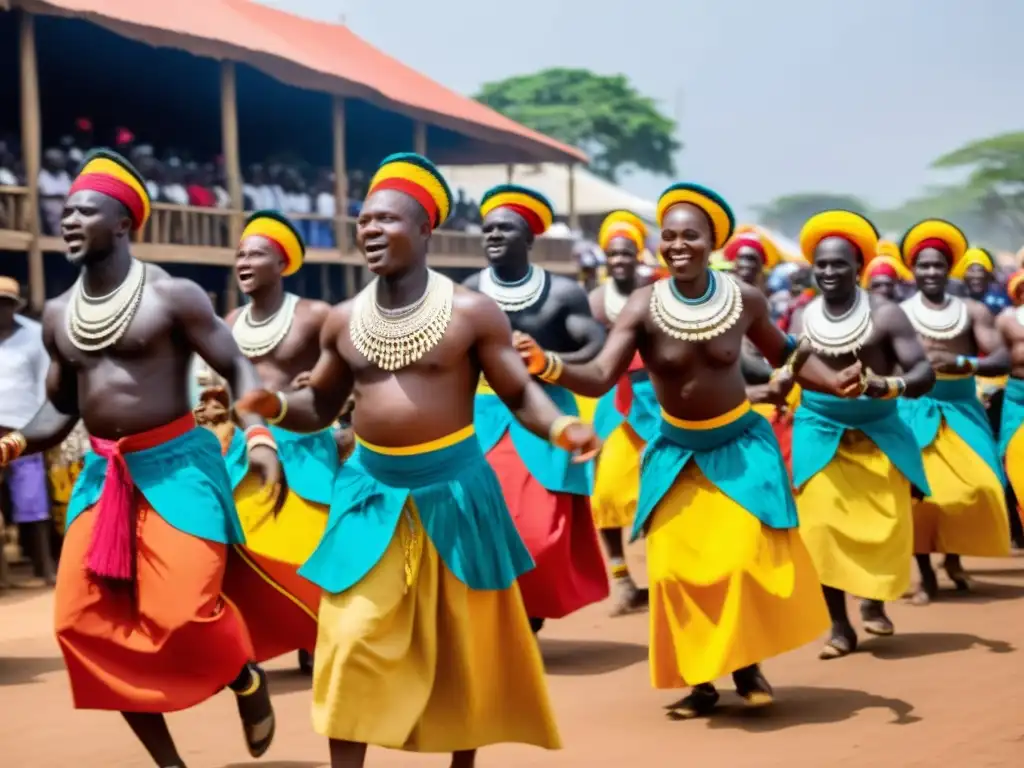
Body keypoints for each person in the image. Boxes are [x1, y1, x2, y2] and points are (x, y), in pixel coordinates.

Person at [233, 152, 597, 768]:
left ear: (426, 230)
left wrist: (562, 426)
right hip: (370, 494)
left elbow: (517, 390)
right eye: (363, 221)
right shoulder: (344, 320)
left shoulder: (473, 311)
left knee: (464, 647)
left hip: (456, 491)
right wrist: (275, 405)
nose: (370, 230)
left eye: (387, 220)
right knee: (349, 638)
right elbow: (319, 404)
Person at [0, 149, 282, 767]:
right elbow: (60, 409)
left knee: (181, 611)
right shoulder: (56, 315)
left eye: (85, 211)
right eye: (64, 211)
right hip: (103, 478)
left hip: (178, 466)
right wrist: (13, 443)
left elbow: (237, 365)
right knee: (82, 624)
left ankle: (243, 673)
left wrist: (258, 434)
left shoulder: (173, 295)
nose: (68, 220)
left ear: (124, 221)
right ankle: (170, 764)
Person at [516, 182, 831, 718]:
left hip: (739, 445)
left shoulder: (745, 299)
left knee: (739, 560)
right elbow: (596, 376)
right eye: (669, 236)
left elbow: (790, 354)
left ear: (713, 242)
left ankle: (747, 665)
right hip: (676, 453)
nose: (678, 245)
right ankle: (701, 682)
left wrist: (839, 378)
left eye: (691, 236)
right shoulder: (643, 306)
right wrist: (547, 364)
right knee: (676, 575)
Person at [786, 211, 933, 659]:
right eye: (822, 264)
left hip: (878, 430)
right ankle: (839, 627)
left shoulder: (885, 315)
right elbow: (789, 369)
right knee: (820, 529)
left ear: (859, 267)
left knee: (883, 528)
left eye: (840, 264)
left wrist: (887, 386)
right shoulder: (799, 319)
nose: (829, 272)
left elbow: (922, 371)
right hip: (819, 430)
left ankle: (873, 601)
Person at [463, 184, 609, 632]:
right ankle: (501, 620)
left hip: (545, 413)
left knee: (539, 532)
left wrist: (550, 363)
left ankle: (531, 607)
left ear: (530, 240)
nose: (493, 236)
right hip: (484, 415)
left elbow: (598, 348)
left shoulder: (562, 293)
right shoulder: (469, 291)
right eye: (487, 230)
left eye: (505, 230)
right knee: (482, 522)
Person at [199, 211, 334, 674]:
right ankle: (263, 637)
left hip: (307, 443)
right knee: (248, 545)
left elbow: (355, 369)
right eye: (239, 254)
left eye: (256, 253)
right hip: (246, 448)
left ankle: (318, 634)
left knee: (308, 546)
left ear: (282, 263)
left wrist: (322, 384)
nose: (244, 261)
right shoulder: (230, 321)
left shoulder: (316, 315)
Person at [897, 219, 1011, 603]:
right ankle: (925, 573)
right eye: (923, 265)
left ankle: (953, 558)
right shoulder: (898, 313)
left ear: (950, 269)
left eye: (938, 265)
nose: (930, 272)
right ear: (912, 269)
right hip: (912, 408)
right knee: (919, 495)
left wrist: (963, 362)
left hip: (962, 408)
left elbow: (1000, 358)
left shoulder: (972, 310)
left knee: (981, 485)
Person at [585, 210, 658, 615]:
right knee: (608, 492)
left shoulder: (654, 293)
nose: (619, 260)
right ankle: (623, 580)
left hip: (655, 396)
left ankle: (667, 576)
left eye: (626, 253)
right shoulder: (595, 301)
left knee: (663, 482)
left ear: (638, 254)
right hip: (612, 397)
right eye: (612, 254)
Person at [724, 227, 798, 469]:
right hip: (727, 395)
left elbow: (779, 348)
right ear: (733, 263)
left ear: (762, 266)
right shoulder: (720, 299)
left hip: (763, 395)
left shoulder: (772, 303)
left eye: (752, 259)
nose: (746, 264)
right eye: (742, 258)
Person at [0, 276, 55, 584]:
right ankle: (3, 577)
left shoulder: (34, 336)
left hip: (22, 428)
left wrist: (42, 429)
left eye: (5, 305)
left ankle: (44, 567)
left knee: (32, 501)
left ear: (14, 306)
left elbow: (43, 384)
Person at [993, 269, 1024, 548]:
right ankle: (1015, 526)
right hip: (1016, 395)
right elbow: (995, 356)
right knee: (1009, 458)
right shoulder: (1005, 320)